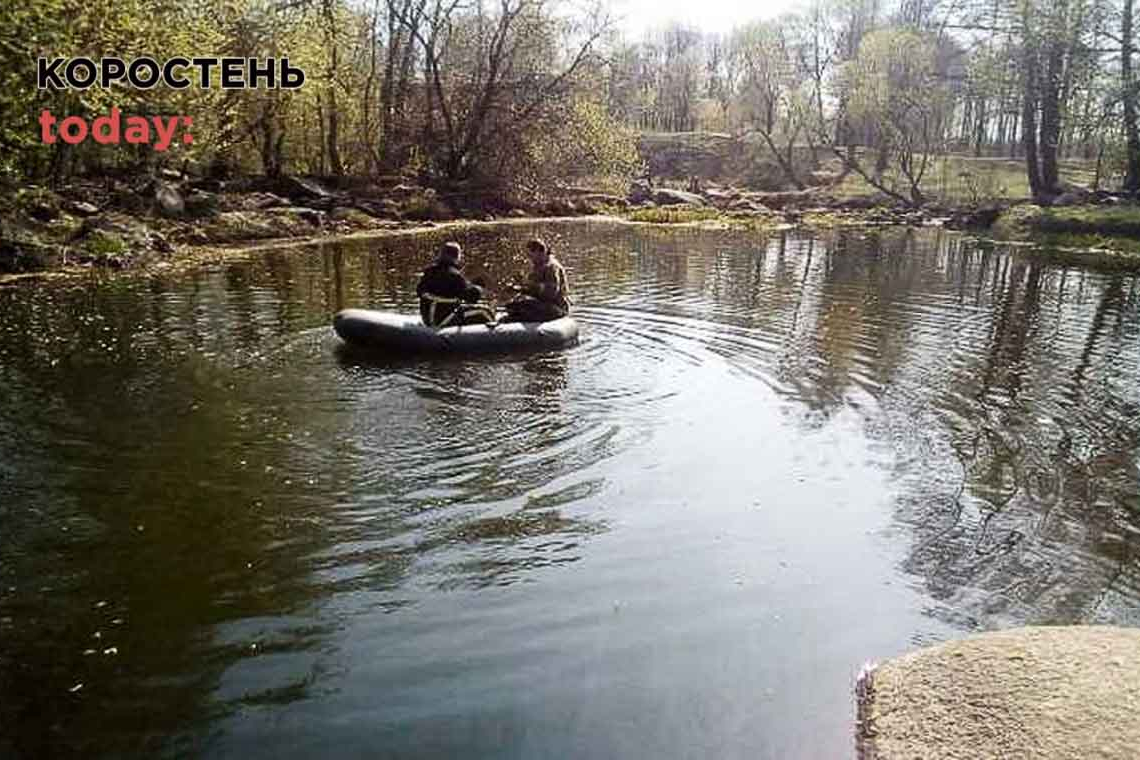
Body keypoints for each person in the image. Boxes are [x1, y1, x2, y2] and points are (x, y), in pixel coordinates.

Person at [416, 241, 495, 328]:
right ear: (457, 257)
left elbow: (420, 291)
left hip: (427, 320)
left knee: (464, 308)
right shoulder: (454, 275)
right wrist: (479, 287)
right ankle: (497, 336)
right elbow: (471, 298)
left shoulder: (429, 272)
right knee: (485, 312)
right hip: (443, 320)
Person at [503, 238, 571, 323]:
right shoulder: (538, 267)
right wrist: (518, 289)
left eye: (531, 255)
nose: (529, 259)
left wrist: (527, 286)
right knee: (513, 304)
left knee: (523, 304)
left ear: (540, 252)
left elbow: (550, 293)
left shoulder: (551, 267)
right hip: (544, 305)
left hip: (557, 307)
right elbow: (533, 291)